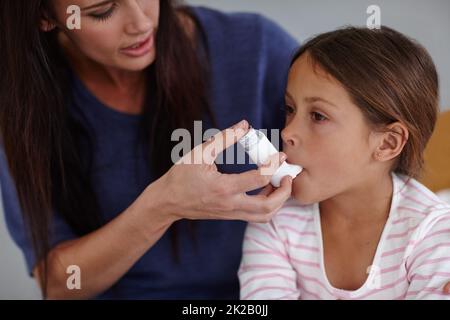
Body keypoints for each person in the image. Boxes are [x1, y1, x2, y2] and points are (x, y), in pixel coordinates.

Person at [0, 0, 296, 299]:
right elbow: (60, 284)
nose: (141, 24)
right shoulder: (23, 110)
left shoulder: (256, 48)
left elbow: (342, 162)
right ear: (45, 16)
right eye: (102, 11)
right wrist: (161, 206)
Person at [239, 26, 450, 300]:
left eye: (318, 116)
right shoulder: (275, 220)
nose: (286, 133)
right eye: (290, 110)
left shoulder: (431, 233)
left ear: (386, 143)